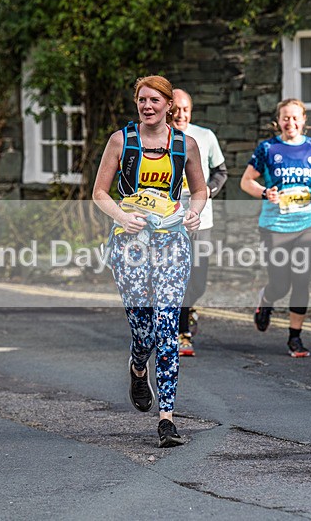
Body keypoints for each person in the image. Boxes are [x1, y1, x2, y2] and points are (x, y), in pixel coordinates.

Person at [92, 75, 207, 447]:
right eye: (142, 99)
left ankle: (167, 419)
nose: (147, 105)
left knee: (168, 325)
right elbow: (99, 193)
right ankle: (138, 366)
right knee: (143, 328)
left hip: (172, 241)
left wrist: (195, 211)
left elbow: (200, 189)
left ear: (168, 105)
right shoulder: (121, 141)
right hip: (129, 244)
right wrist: (122, 217)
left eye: (155, 100)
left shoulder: (185, 144)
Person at [240, 98, 311, 358]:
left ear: (304, 121)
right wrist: (264, 192)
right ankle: (267, 300)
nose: (290, 122)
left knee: (301, 280)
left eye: (295, 118)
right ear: (278, 121)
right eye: (285, 118)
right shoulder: (267, 148)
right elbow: (246, 182)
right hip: (275, 226)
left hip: (309, 224)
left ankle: (295, 338)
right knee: (280, 284)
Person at [171, 88, 228, 357]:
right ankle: (182, 333)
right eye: (176, 108)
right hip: (169, 221)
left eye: (185, 109)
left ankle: (189, 308)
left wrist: (206, 191)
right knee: (179, 277)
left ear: (191, 111)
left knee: (199, 281)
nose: (180, 114)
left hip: (201, 219)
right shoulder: (158, 137)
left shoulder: (205, 136)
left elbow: (221, 171)